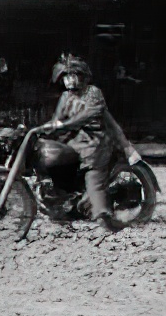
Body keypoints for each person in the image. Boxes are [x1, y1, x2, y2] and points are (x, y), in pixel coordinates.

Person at [39, 54, 124, 231]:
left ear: (82, 76)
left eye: (72, 76)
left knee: (94, 178)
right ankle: (65, 200)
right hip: (73, 141)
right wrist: (47, 128)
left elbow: (84, 117)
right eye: (66, 77)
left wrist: (63, 125)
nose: (69, 81)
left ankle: (104, 217)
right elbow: (57, 119)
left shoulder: (93, 92)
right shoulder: (65, 96)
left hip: (95, 142)